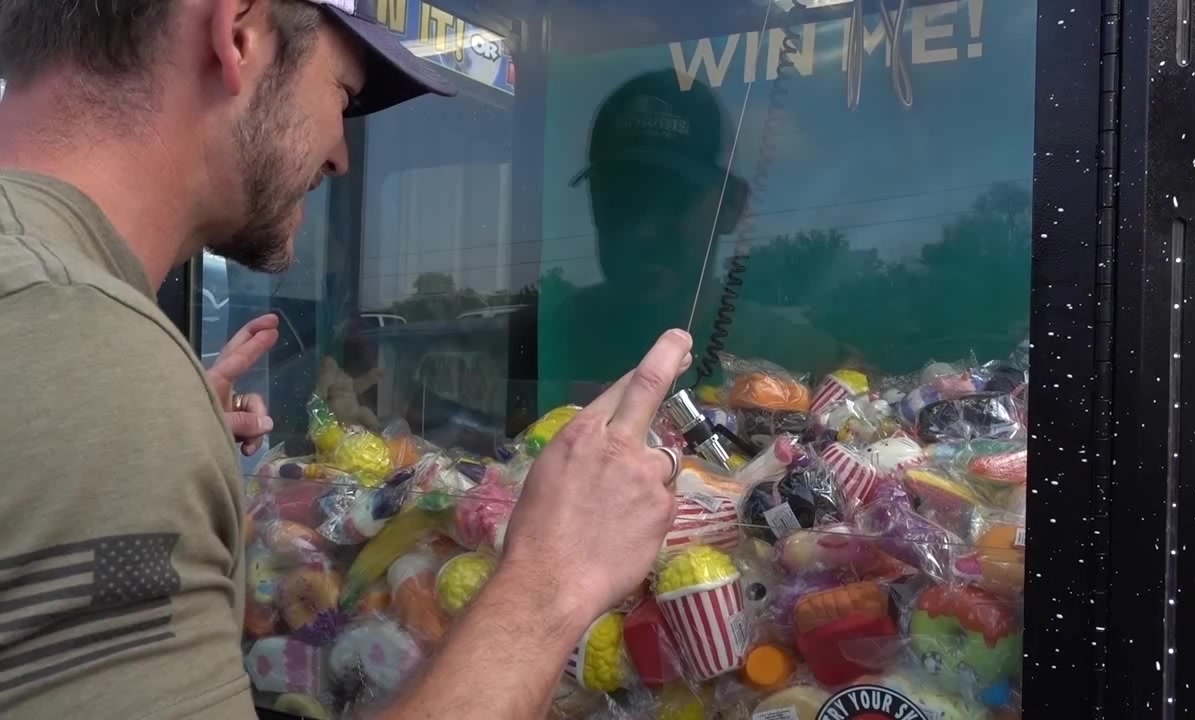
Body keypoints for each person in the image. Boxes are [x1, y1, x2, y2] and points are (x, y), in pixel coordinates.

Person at [0, 1, 688, 718]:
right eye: (343, 94)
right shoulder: (81, 349)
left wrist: (149, 431)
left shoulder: (62, 345)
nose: (341, 155)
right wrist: (553, 579)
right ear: (237, 33)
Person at [527, 70, 853, 410]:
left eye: (674, 198)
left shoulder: (807, 361)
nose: (642, 229)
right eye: (618, 198)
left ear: (730, 205)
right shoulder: (533, 347)